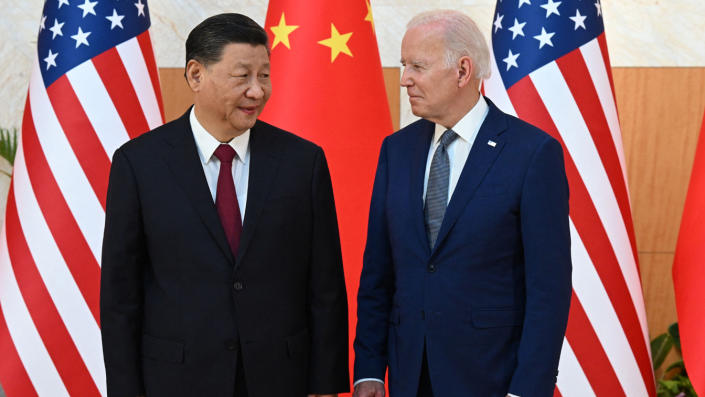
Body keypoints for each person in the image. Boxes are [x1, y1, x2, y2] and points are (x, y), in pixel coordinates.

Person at [100, 13, 349, 397]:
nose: (257, 91)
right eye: (242, 76)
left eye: (264, 75)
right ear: (196, 75)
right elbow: (120, 296)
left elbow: (325, 285)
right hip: (176, 380)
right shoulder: (139, 163)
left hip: (280, 378)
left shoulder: (303, 162)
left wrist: (326, 383)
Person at [353, 10, 572, 397]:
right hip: (408, 376)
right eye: (405, 65)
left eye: (417, 66)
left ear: (463, 70)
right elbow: (378, 273)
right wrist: (369, 369)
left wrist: (528, 388)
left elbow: (548, 290)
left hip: (491, 378)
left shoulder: (532, 153)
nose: (404, 78)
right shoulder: (396, 150)